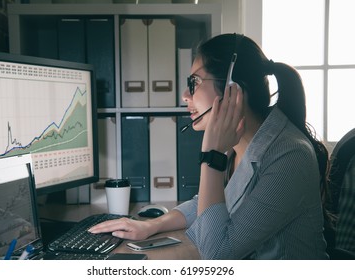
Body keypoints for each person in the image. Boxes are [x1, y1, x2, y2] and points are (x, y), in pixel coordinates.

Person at [89, 33, 332, 259]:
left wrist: (211, 156)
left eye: (194, 82)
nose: (185, 94)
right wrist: (150, 225)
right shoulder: (241, 145)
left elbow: (216, 253)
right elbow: (205, 203)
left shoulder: (289, 156)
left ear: (232, 88)